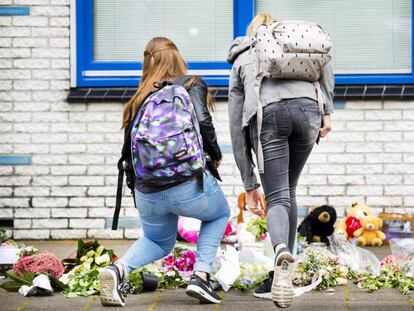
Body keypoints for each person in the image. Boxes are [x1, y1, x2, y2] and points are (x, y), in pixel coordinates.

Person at [99, 37, 230, 307]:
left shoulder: (141, 95)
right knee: (219, 214)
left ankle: (117, 270)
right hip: (187, 183)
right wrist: (215, 155)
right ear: (177, 58)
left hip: (147, 188)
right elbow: (204, 122)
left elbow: (128, 147)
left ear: (147, 62)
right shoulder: (192, 83)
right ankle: (201, 276)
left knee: (157, 241)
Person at [227, 12, 334, 308]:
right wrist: (326, 113)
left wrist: (249, 182)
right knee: (289, 188)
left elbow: (236, 125)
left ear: (252, 33)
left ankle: (280, 253)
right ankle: (285, 265)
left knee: (276, 196)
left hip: (270, 116)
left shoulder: (242, 57)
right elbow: (326, 68)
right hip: (309, 113)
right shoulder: (299, 48)